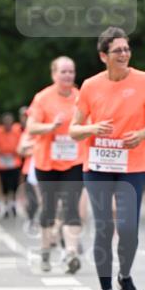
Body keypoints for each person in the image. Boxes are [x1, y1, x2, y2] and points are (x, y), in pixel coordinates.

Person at [69, 27, 145, 290]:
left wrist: (142, 134)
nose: (124, 54)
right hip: (98, 163)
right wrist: (92, 128)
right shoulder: (90, 86)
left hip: (132, 162)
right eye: (117, 50)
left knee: (128, 228)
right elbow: (74, 129)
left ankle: (125, 276)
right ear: (103, 56)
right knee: (104, 227)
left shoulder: (144, 80)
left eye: (126, 49)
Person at [27, 57, 85, 273]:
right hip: (47, 162)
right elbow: (31, 127)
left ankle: (70, 253)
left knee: (71, 206)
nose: (68, 75)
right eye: (63, 72)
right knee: (49, 208)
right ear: (54, 74)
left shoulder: (81, 97)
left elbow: (90, 123)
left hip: (74, 161)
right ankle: (45, 251)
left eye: (71, 71)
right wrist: (51, 126)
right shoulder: (42, 98)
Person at [0, 113, 22, 217]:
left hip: (14, 162)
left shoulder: (16, 133)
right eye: (6, 122)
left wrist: (16, 152)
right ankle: (5, 207)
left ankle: (13, 206)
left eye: (9, 122)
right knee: (4, 186)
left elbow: (20, 146)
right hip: (3, 163)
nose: (8, 124)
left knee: (14, 186)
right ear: (3, 123)